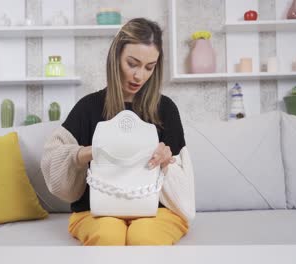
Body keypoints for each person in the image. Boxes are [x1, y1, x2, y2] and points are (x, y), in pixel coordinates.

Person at [41, 17, 195, 246]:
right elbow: (52, 162)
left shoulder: (166, 109)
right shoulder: (88, 107)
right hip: (96, 211)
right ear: (116, 57)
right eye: (132, 63)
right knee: (108, 236)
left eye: (149, 67)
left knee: (145, 237)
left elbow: (185, 198)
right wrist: (84, 154)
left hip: (157, 211)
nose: (139, 76)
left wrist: (166, 164)